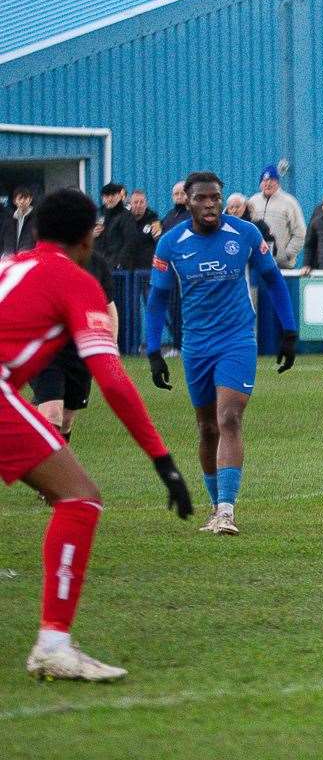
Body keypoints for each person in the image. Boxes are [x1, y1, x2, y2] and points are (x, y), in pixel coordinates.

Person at [1, 188, 192, 681]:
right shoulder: (77, 281)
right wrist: (161, 459)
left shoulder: (9, 266)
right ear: (89, 236)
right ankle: (53, 645)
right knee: (79, 498)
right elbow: (113, 380)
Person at [144, 171, 299, 538]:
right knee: (206, 427)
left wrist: (289, 331)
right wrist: (153, 351)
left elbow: (274, 280)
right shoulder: (171, 243)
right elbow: (157, 301)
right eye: (202, 198)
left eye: (216, 197)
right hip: (196, 346)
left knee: (228, 417)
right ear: (188, 201)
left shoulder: (245, 234)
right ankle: (214, 507)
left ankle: (227, 511)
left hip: (236, 340)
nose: (210, 204)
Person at [31, 247, 119, 447]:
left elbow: (108, 306)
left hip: (81, 350)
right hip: (45, 349)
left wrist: (110, 348)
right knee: (52, 413)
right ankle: (50, 473)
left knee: (67, 419)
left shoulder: (97, 263)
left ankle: (56, 464)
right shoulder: (39, 261)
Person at [247, 166, 305, 270]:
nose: (268, 184)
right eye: (264, 180)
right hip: (256, 266)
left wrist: (286, 255)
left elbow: (300, 233)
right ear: (260, 183)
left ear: (278, 182)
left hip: (281, 267)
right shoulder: (252, 201)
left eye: (272, 180)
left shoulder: (289, 202)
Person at [92, 182, 134, 268]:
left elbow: (130, 241)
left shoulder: (126, 216)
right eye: (107, 196)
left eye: (113, 195)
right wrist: (92, 234)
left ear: (119, 196)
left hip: (117, 268)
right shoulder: (97, 214)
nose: (110, 199)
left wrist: (119, 263)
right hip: (98, 264)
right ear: (102, 198)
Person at [119, 189, 162, 270]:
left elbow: (159, 243)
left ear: (146, 204)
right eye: (136, 202)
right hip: (126, 271)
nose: (138, 205)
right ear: (131, 204)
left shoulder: (153, 221)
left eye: (141, 202)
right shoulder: (123, 220)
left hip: (144, 272)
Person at [1, 185, 37, 257]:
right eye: (20, 198)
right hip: (10, 258)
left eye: (26, 198)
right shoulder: (9, 220)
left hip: (29, 258)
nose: (22, 201)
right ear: (14, 201)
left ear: (30, 200)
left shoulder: (36, 218)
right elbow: (2, 239)